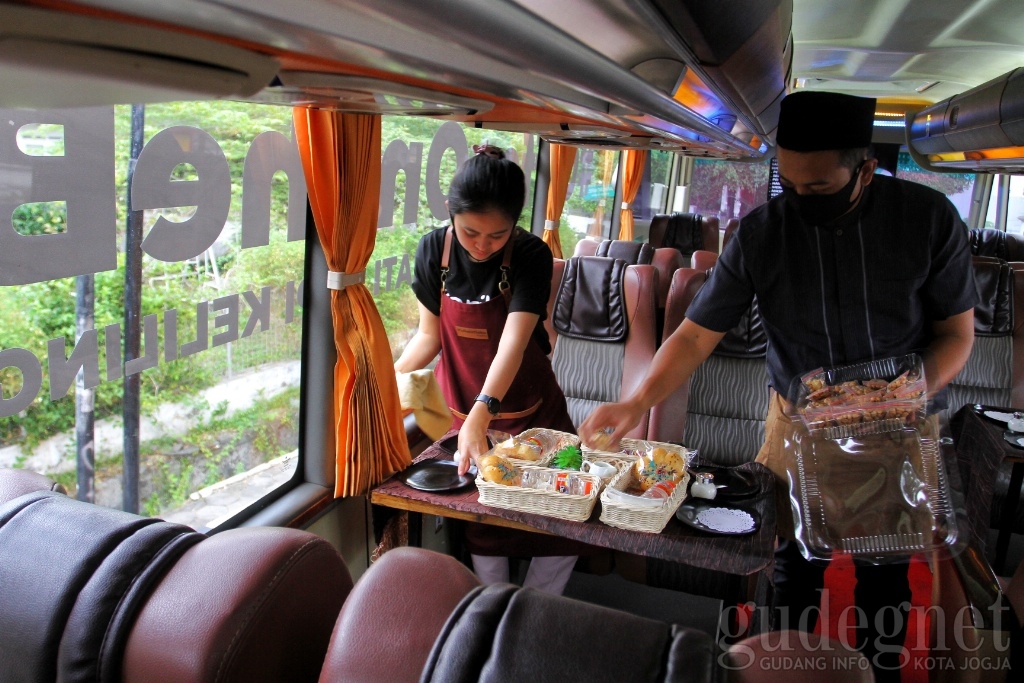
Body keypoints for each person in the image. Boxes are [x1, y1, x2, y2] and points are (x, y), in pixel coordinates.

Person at [580, 91, 977, 681]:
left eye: (817, 189)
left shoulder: (927, 220)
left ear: (864, 169)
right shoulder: (764, 232)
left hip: (894, 428)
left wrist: (900, 393)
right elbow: (694, 337)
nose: (799, 200)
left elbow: (956, 336)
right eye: (788, 185)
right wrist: (637, 400)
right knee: (788, 572)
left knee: (884, 581)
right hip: (798, 427)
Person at [395, 143, 581, 593]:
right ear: (450, 214)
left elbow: (513, 346)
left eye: (496, 236)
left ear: (515, 226)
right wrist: (383, 384)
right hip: (464, 412)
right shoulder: (433, 252)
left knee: (562, 510)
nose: (481, 246)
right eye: (469, 232)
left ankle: (537, 606)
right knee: (485, 519)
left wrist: (483, 412)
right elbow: (428, 337)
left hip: (533, 412)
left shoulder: (530, 255)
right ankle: (494, 606)